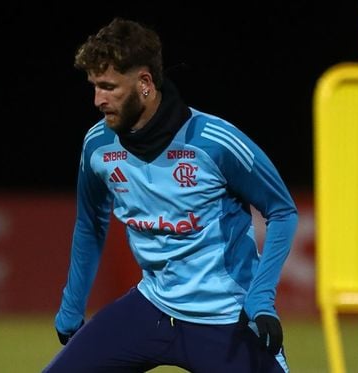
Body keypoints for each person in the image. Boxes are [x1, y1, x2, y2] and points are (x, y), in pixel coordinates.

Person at [43, 17, 298, 373]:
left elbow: (283, 212)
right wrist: (72, 305)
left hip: (226, 318)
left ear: (145, 83)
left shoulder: (215, 142)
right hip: (153, 309)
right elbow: (90, 223)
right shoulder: (98, 146)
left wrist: (261, 299)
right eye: (94, 86)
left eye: (108, 87)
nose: (97, 99)